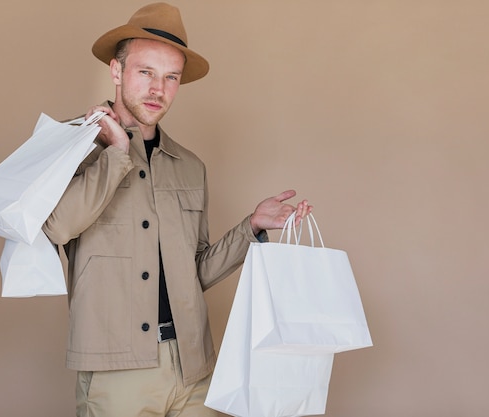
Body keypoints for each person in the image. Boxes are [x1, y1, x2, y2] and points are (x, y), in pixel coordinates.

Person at [42, 3, 312, 417]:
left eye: (171, 77)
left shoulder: (190, 166)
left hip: (193, 369)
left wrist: (251, 228)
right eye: (145, 72)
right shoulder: (74, 147)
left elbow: (195, 271)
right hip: (117, 372)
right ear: (116, 71)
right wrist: (116, 153)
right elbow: (56, 228)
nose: (158, 89)